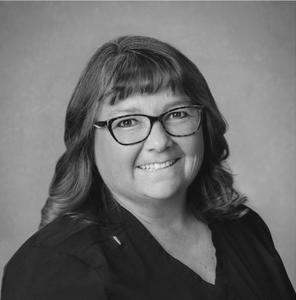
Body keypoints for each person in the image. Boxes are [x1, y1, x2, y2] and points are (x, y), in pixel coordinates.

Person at [1, 35, 295, 300]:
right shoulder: (55, 265)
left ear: (204, 124)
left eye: (177, 113)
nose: (159, 141)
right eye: (127, 122)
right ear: (87, 140)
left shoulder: (244, 228)